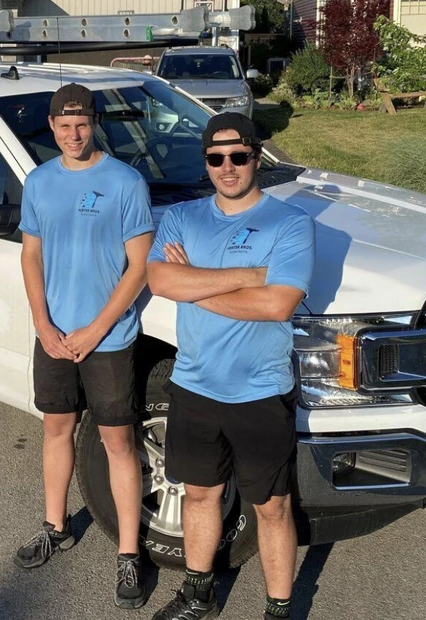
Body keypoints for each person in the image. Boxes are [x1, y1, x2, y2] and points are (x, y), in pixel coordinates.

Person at [146, 112, 314, 620]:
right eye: (216, 158)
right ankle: (199, 594)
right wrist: (247, 275)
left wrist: (194, 282)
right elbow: (160, 282)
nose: (227, 166)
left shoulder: (290, 223)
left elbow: (276, 305)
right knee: (199, 495)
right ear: (206, 162)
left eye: (238, 156)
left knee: (272, 506)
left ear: (256, 157)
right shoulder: (181, 217)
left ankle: (278, 608)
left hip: (260, 392)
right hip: (194, 385)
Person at [14, 83, 155, 610]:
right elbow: (31, 256)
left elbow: (138, 266)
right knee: (57, 429)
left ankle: (128, 551)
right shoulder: (39, 181)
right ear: (51, 127)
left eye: (82, 125)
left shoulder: (124, 181)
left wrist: (96, 329)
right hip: (52, 333)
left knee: (118, 442)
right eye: (63, 126)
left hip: (108, 338)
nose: (73, 135)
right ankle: (55, 525)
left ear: (94, 123)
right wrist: (42, 323)